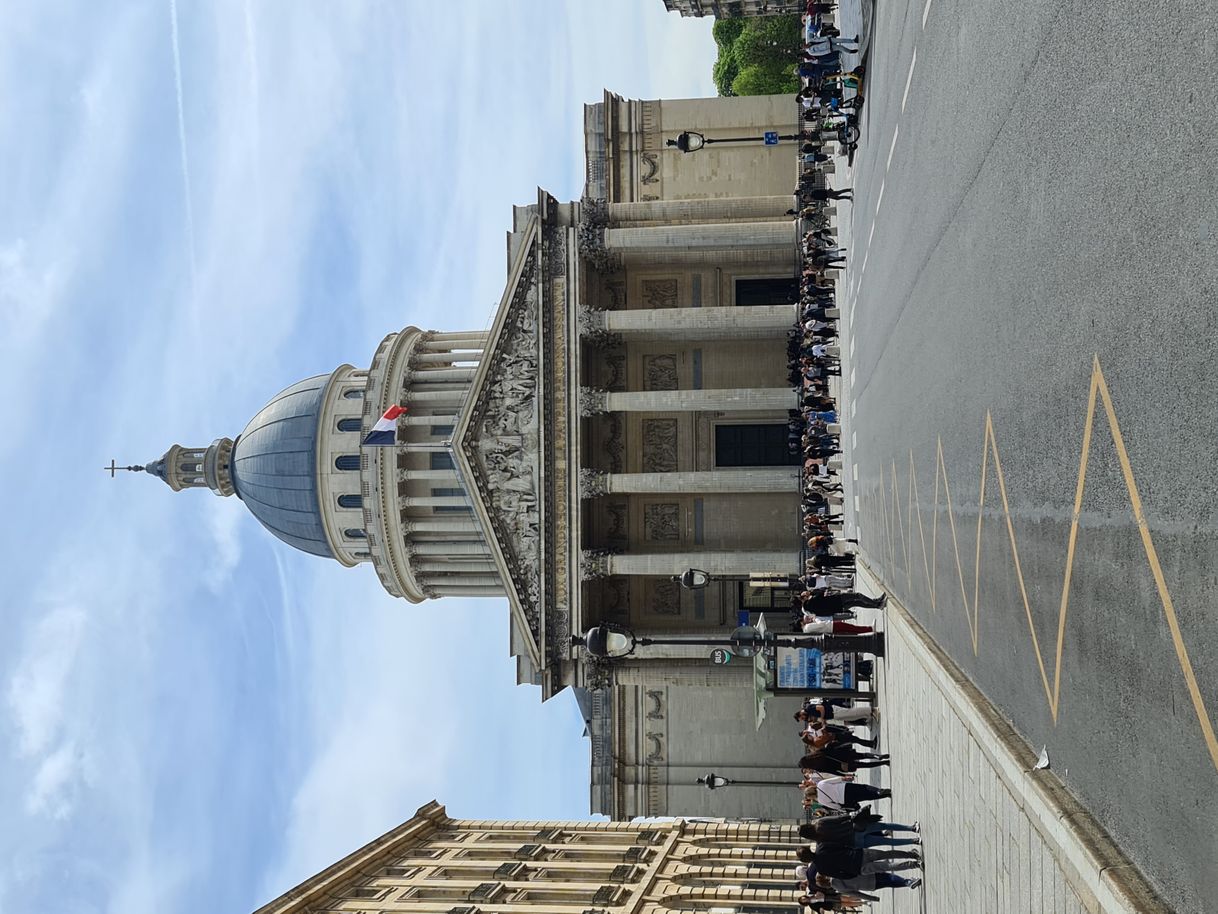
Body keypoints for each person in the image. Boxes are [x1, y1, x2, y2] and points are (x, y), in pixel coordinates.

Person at [803, 773, 890, 811]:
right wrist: (844, 778)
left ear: (811, 796)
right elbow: (835, 780)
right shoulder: (821, 784)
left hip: (844, 799)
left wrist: (840, 807)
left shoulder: (821, 801)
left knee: (866, 797)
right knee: (864, 788)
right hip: (845, 787)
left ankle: (884, 795)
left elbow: (835, 806)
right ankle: (879, 791)